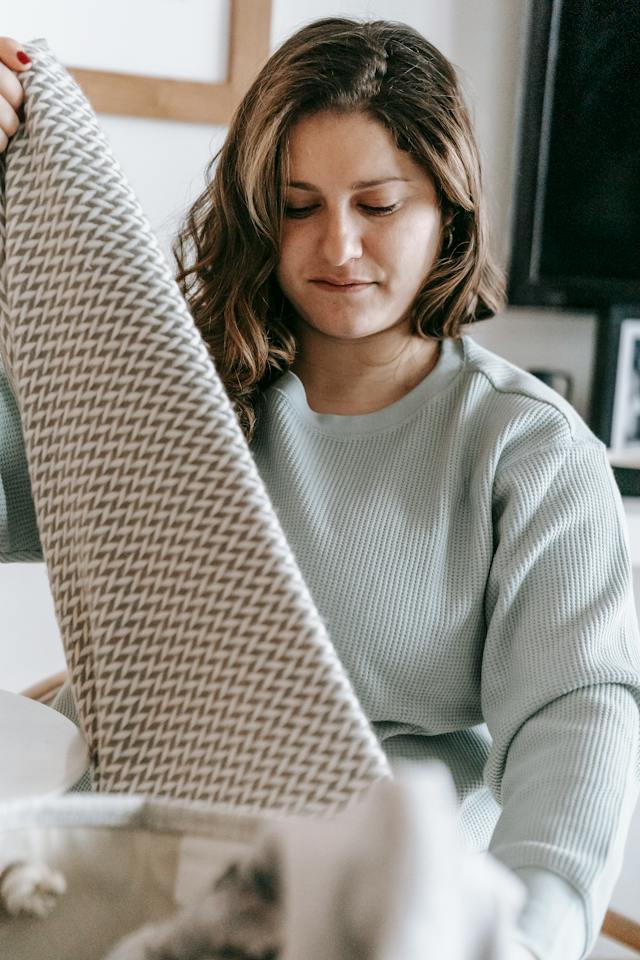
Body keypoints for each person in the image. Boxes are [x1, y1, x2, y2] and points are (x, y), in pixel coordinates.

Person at [1, 19, 639, 960]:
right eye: (299, 206)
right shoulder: (181, 395)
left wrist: (531, 935)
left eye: (378, 205)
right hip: (114, 858)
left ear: (450, 211)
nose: (337, 245)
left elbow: (573, 721)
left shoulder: (525, 455)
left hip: (349, 903)